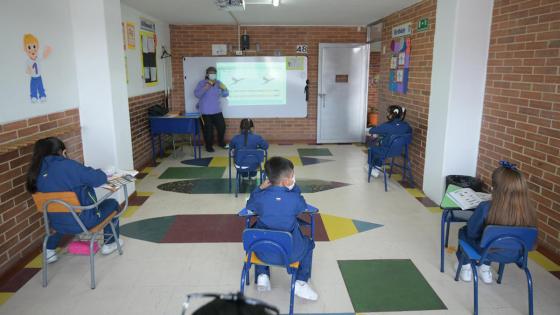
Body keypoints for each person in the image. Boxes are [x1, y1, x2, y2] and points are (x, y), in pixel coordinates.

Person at [25, 137, 123, 263]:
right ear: (61, 151)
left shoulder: (35, 171)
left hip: (56, 223)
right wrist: (105, 172)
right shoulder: (68, 165)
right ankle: (110, 244)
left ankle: (49, 250)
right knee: (112, 203)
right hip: (84, 221)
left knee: (63, 214)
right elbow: (98, 179)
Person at [245, 157, 318, 301]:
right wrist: (293, 189)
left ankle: (262, 276)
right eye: (292, 175)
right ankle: (300, 282)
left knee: (260, 233)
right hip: (289, 254)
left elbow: (249, 205)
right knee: (309, 244)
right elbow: (302, 206)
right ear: (287, 181)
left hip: (263, 253)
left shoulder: (260, 198)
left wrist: (260, 188)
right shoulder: (294, 199)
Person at [456, 161, 537, 283]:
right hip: (516, 254)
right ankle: (485, 270)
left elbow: (472, 233)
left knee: (464, 232)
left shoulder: (485, 207)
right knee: (491, 238)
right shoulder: (528, 210)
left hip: (486, 252)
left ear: (494, 188)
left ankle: (465, 267)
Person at [366, 105, 412, 177]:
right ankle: (377, 168)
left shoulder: (387, 125)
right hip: (399, 151)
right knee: (382, 142)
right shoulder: (406, 126)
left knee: (372, 148)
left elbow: (371, 131)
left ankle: (372, 168)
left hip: (386, 151)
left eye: (388, 113)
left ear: (391, 114)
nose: (387, 114)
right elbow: (406, 132)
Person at [194, 66, 229, 152]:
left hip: (217, 111)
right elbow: (197, 94)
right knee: (208, 130)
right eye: (211, 73)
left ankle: (221, 142)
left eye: (214, 73)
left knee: (222, 127)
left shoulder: (218, 83)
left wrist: (224, 89)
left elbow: (226, 94)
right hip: (205, 112)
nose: (213, 74)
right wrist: (206, 87)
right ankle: (209, 146)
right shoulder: (201, 83)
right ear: (207, 74)